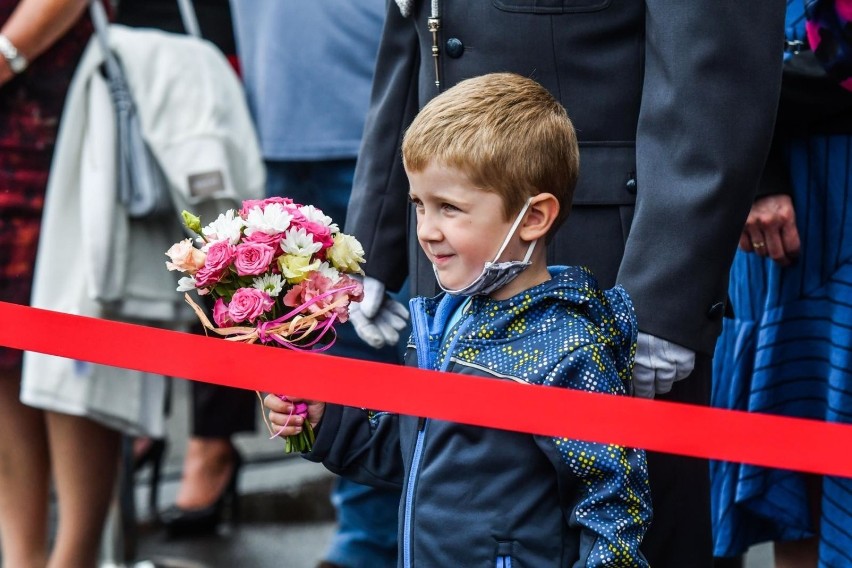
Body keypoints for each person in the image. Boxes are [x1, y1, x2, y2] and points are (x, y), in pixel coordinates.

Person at [343, 3, 786, 566]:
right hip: (452, 243)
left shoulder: (590, 334)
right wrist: (373, 238)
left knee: (628, 527)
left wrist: (665, 294)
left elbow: (716, 66)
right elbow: (412, 41)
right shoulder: (435, 230)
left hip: (604, 255)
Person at [264, 72, 653, 567]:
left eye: (449, 208)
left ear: (533, 218)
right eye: (419, 206)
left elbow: (613, 510)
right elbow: (416, 455)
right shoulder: (446, 322)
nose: (426, 231)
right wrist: (328, 422)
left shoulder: (570, 348)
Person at [228, 2, 401, 566]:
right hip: (273, 132)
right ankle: (363, 536)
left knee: (372, 346)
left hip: (372, 139)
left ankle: (368, 542)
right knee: (297, 352)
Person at [710, 1, 852, 566]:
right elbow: (702, 51)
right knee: (796, 434)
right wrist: (755, 167)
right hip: (782, 202)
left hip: (822, 168)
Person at [111, 0, 259, 536]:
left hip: (199, 52)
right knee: (123, 259)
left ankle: (210, 445)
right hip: (105, 60)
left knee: (222, 258)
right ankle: (135, 419)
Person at [0, 1, 120, 566]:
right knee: (3, 363)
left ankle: (74, 557)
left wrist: (7, 54)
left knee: (71, 352)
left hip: (58, 127)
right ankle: (20, 557)